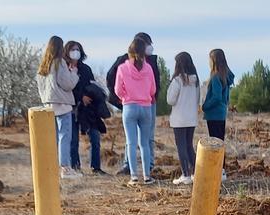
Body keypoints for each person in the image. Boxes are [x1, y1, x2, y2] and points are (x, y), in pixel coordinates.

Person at [106, 32, 159, 175]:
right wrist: (121, 98)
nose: (150, 47)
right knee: (138, 139)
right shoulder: (123, 61)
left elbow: (155, 84)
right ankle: (130, 166)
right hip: (140, 103)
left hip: (142, 103)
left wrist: (125, 96)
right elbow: (110, 78)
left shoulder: (151, 61)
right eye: (148, 43)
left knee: (139, 138)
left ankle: (146, 167)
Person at [36, 36, 80, 178]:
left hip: (48, 105)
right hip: (62, 105)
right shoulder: (59, 62)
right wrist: (73, 73)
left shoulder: (43, 65)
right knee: (64, 137)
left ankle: (50, 168)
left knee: (52, 138)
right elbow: (67, 84)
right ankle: (65, 168)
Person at [67, 41, 109, 175]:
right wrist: (80, 97)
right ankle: (75, 167)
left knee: (95, 139)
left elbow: (92, 85)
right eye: (72, 49)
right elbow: (66, 88)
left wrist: (89, 96)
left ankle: (95, 167)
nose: (75, 52)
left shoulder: (86, 69)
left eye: (78, 49)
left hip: (89, 110)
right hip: (72, 109)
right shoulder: (63, 69)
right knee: (73, 141)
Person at [166, 52, 200, 185]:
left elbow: (170, 100)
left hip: (179, 119)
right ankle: (197, 172)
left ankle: (185, 174)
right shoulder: (195, 81)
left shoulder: (177, 80)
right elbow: (197, 100)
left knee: (181, 147)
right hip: (191, 118)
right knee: (189, 146)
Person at [201, 48, 233, 179]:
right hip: (221, 113)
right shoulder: (226, 76)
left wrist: (205, 106)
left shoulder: (215, 77)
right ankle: (222, 169)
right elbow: (225, 98)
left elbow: (216, 97)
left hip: (213, 114)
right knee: (220, 141)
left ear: (213, 60)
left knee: (215, 142)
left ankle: (219, 170)